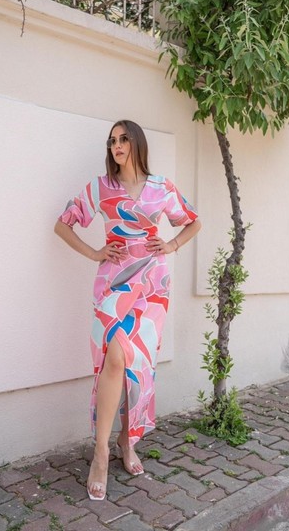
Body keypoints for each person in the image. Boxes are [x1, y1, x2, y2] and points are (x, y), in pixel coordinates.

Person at [54, 120, 201, 500]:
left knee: (137, 365)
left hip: (153, 286)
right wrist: (95, 253)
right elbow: (63, 225)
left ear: (137, 143)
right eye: (112, 141)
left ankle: (127, 439)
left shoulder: (162, 187)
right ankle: (101, 453)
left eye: (123, 139)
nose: (116, 145)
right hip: (114, 282)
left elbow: (193, 222)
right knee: (115, 358)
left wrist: (171, 245)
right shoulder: (101, 187)